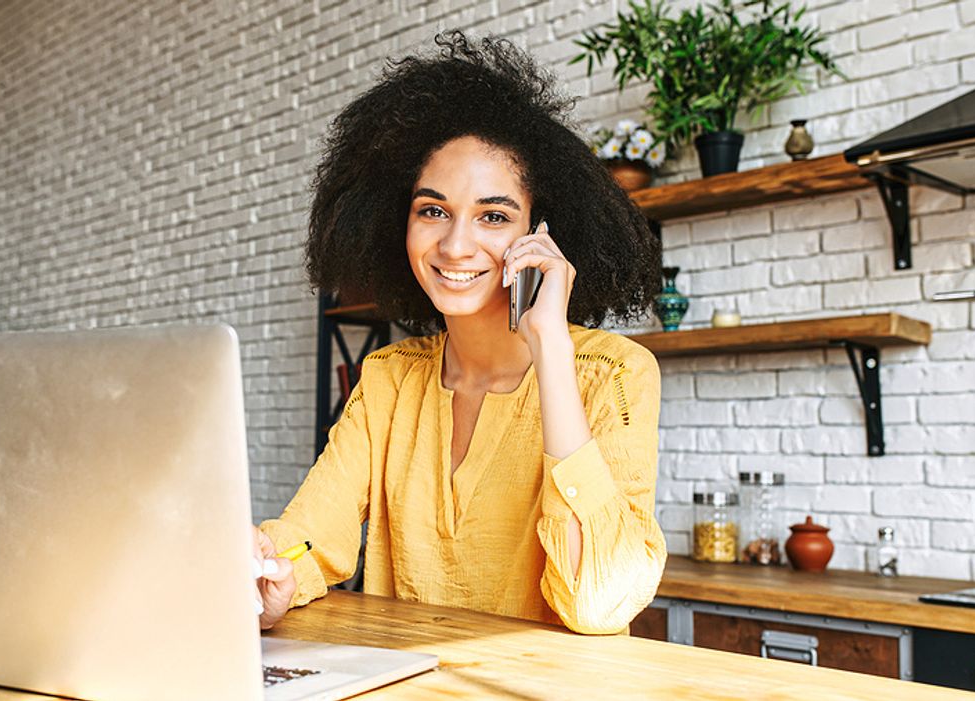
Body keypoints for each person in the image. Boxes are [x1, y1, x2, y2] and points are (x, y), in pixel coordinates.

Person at [253, 31, 666, 635]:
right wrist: (271, 571)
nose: (454, 244)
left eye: (493, 216)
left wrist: (550, 345)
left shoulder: (617, 373)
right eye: (433, 210)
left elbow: (600, 602)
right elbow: (311, 539)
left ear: (542, 235)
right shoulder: (390, 377)